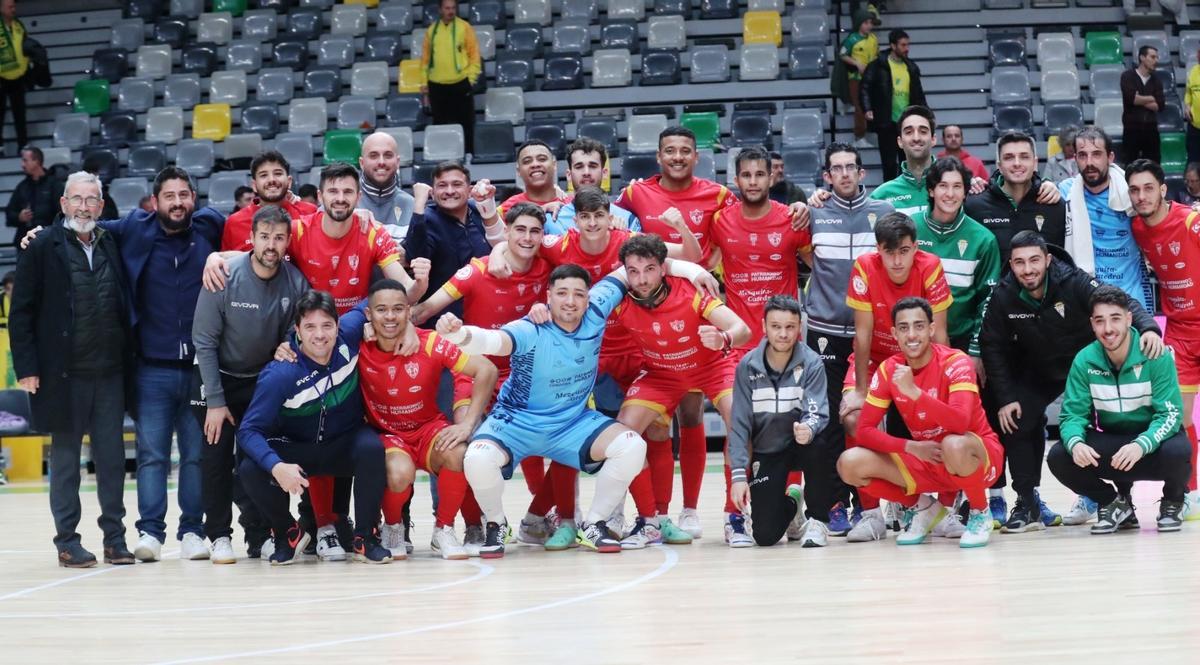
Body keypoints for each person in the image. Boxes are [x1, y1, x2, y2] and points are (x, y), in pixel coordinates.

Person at [446, 264, 657, 557]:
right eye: (562, 293)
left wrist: (694, 272)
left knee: (633, 446)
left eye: (578, 294)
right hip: (516, 420)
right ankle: (496, 523)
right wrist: (459, 335)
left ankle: (594, 525)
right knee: (477, 458)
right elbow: (494, 341)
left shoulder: (597, 309)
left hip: (572, 422)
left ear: (588, 298)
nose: (570, 301)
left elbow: (631, 267)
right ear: (549, 296)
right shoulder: (530, 328)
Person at [975, 231, 1164, 532]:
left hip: (1087, 366)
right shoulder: (1003, 294)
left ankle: (1119, 501)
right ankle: (1027, 502)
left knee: (1113, 423)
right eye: (1020, 263)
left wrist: (1149, 327)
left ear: (1048, 260)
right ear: (1011, 265)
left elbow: (1120, 302)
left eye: (1035, 260)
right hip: (1038, 368)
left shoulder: (1073, 281)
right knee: (1016, 419)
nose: (1028, 269)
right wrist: (1006, 396)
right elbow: (992, 345)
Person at [97, 167, 224, 563]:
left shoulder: (209, 229)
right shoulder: (135, 228)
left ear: (194, 198)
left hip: (201, 369)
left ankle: (192, 531)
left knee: (194, 455)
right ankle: (150, 532)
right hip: (151, 368)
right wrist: (42, 232)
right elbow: (85, 226)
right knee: (152, 455)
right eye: (170, 196)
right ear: (155, 202)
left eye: (184, 195)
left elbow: (260, 233)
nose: (178, 203)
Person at [413, 203, 559, 549]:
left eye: (534, 231)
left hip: (526, 374)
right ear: (505, 232)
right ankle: (474, 525)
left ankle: (538, 517)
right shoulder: (476, 271)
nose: (526, 237)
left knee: (562, 441)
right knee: (463, 445)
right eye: (519, 230)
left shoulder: (550, 270)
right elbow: (425, 310)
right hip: (477, 372)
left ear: (543, 236)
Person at [10, 171, 134, 568]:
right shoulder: (41, 245)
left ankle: (115, 539)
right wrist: (27, 368)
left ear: (101, 205)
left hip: (109, 373)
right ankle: (67, 541)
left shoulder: (111, 240)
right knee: (65, 463)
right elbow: (21, 312)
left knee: (112, 460)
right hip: (63, 375)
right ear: (63, 204)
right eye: (76, 199)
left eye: (91, 200)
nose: (84, 206)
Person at [610, 235, 753, 548]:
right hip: (661, 373)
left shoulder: (691, 292)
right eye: (633, 272)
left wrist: (724, 339)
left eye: (649, 269)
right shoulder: (619, 299)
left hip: (712, 367)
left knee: (740, 422)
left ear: (664, 269)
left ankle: (735, 518)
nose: (642, 279)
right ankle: (650, 521)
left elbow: (742, 329)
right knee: (623, 435)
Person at [190, 205, 309, 564]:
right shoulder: (225, 274)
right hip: (216, 380)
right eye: (264, 237)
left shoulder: (295, 281)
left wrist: (290, 341)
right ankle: (220, 536)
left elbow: (298, 329)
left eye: (278, 238)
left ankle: (261, 536)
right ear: (251, 239)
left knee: (254, 461)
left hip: (259, 381)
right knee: (215, 457)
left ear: (288, 241)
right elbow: (204, 341)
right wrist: (214, 401)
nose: (271, 244)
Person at [237, 291, 391, 565]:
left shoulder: (350, 336)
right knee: (250, 468)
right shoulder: (281, 374)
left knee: (372, 449)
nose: (319, 335)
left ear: (338, 325)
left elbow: (380, 299)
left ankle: (365, 537)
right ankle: (288, 532)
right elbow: (248, 431)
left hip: (343, 441)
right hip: (298, 449)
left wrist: (409, 330)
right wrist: (276, 466)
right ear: (297, 331)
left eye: (327, 326)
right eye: (310, 327)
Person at [837, 297, 1002, 548]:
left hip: (976, 456)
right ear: (894, 333)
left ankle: (980, 512)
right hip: (928, 456)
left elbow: (960, 422)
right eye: (903, 328)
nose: (912, 335)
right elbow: (864, 432)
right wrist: (911, 448)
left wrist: (915, 393)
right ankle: (923, 508)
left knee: (953, 444)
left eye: (919, 326)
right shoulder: (889, 369)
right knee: (849, 463)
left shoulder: (956, 362)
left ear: (932, 329)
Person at [357, 279, 498, 559]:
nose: (390, 316)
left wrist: (468, 423)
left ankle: (443, 530)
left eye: (398, 309)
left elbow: (487, 369)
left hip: (428, 430)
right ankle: (393, 527)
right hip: (388, 434)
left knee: (459, 452)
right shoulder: (358, 346)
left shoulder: (430, 342)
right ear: (368, 315)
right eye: (381, 309)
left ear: (409, 312)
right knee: (399, 472)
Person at [840, 211, 953, 541]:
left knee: (943, 420)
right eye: (889, 252)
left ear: (915, 247)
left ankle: (943, 508)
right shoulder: (864, 265)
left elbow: (941, 334)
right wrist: (861, 389)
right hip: (876, 361)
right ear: (878, 250)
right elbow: (862, 334)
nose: (897, 260)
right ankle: (872, 513)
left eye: (904, 250)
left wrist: (938, 385)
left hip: (921, 359)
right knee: (853, 418)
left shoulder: (930, 265)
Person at [802, 142, 895, 534]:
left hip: (869, 337)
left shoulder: (884, 213)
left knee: (865, 420)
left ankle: (871, 503)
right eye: (835, 168)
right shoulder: (814, 212)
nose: (843, 174)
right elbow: (808, 257)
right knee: (827, 424)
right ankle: (834, 502)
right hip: (824, 334)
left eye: (850, 168)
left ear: (862, 174)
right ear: (826, 176)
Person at [1048, 285, 1191, 533]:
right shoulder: (1084, 360)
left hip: (1149, 444)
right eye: (1100, 321)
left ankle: (1173, 501)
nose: (1108, 329)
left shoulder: (1155, 354)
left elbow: (1170, 414)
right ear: (1092, 324)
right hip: (1113, 443)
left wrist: (1141, 444)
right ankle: (1113, 503)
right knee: (1060, 456)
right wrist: (1075, 442)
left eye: (1115, 319)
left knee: (1179, 449)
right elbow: (1072, 414)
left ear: (1128, 319)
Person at [1126, 159, 1200, 517]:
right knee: (1181, 417)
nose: (1142, 196)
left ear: (1163, 190)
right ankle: (1192, 492)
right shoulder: (1138, 228)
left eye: (1148, 188)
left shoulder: (1191, 221)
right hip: (1182, 331)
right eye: (1135, 190)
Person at [728, 295, 832, 547]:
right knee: (765, 536)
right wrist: (738, 475)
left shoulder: (812, 363)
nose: (783, 334)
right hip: (768, 451)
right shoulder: (747, 366)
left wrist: (809, 426)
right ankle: (793, 504)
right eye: (776, 326)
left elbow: (817, 409)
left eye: (790, 327)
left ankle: (818, 520)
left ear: (799, 328)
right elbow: (740, 423)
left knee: (820, 443)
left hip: (801, 443)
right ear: (764, 326)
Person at [710, 146, 811, 356]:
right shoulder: (720, 220)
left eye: (760, 175)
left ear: (771, 178)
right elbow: (704, 262)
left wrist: (818, 201)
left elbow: (821, 267)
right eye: (746, 175)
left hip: (785, 340)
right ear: (736, 180)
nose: (753, 182)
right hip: (739, 341)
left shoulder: (791, 219)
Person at [1059, 126, 1153, 311]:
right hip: (1088, 296)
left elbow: (1163, 213)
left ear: (1110, 157)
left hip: (1132, 296)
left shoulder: (1132, 191)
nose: (1089, 162)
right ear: (1075, 158)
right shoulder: (1065, 192)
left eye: (1096, 154)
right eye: (1083, 155)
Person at [912, 157, 1000, 353]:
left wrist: (976, 351)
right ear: (931, 190)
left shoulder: (984, 240)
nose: (950, 194)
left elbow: (988, 301)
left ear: (965, 192)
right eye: (943, 186)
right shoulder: (909, 229)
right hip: (912, 338)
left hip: (962, 342)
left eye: (957, 186)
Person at [404, 161, 507, 326]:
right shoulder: (426, 219)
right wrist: (418, 206)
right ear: (433, 191)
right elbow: (416, 258)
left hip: (486, 316)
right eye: (442, 185)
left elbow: (506, 246)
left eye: (457, 184)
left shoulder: (480, 211)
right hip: (441, 321)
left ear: (469, 190)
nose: (450, 191)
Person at [966, 131, 1068, 263]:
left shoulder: (1055, 205)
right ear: (999, 166)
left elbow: (1062, 262)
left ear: (1035, 163)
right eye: (1009, 157)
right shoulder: (975, 206)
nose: (1017, 163)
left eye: (1024, 157)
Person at [219, 151, 317, 252]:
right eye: (263, 175)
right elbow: (226, 263)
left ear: (289, 181)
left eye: (278, 173)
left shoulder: (310, 213)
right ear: (254, 185)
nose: (271, 180)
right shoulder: (234, 222)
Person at [861, 29, 926, 182]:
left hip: (907, 121)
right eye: (903, 45)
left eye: (907, 45)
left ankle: (909, 190)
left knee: (908, 161)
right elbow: (865, 87)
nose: (906, 48)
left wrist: (925, 114)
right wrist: (867, 108)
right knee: (889, 162)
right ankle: (890, 193)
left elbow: (919, 93)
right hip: (886, 120)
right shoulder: (878, 65)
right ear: (893, 45)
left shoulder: (910, 67)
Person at [420, 0, 481, 154]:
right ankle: (442, 156)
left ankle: (468, 155)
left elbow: (474, 55)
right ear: (440, 9)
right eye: (447, 8)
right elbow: (425, 60)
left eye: (453, 8)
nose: (451, 11)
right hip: (436, 85)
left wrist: (471, 79)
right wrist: (424, 86)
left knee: (466, 124)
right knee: (440, 124)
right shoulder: (432, 31)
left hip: (460, 83)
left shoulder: (464, 28)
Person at [549, 138, 640, 234]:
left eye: (592, 166)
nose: (586, 172)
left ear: (605, 173)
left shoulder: (627, 219)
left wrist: (622, 236)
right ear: (568, 175)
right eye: (579, 167)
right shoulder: (554, 219)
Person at [358, 131, 417, 244]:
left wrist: (408, 255)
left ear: (398, 162)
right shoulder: (342, 203)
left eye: (388, 155)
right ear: (362, 163)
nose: (381, 162)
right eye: (373, 156)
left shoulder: (412, 206)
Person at [497, 140, 570, 219]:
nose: (535, 164)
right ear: (518, 171)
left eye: (542, 159)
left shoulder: (573, 205)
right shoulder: (506, 209)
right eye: (527, 161)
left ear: (554, 164)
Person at [839, 8, 880, 149]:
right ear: (859, 24)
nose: (869, 26)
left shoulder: (874, 39)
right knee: (860, 106)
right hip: (856, 78)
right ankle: (859, 136)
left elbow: (876, 56)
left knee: (870, 106)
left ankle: (869, 132)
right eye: (866, 22)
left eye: (871, 23)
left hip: (870, 78)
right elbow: (842, 54)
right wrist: (856, 63)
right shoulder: (852, 40)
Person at [6, 146, 59, 251]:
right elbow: (9, 214)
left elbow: (62, 214)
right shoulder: (22, 187)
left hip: (50, 242)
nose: (22, 165)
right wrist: (19, 217)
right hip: (25, 243)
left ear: (36, 161)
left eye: (25, 161)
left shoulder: (55, 185)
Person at [1120, 45, 1164, 164]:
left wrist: (1139, 98)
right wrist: (1151, 98)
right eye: (1153, 57)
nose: (1156, 61)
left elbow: (1160, 105)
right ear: (1142, 57)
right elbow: (1131, 99)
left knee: (1153, 166)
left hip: (1151, 129)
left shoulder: (1157, 80)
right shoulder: (1127, 76)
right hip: (1131, 128)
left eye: (1157, 57)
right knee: (1129, 165)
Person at [0, 0, 29, 153]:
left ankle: (22, 144)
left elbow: (26, 46)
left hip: (18, 76)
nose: (13, 8)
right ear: (1, 8)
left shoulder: (19, 25)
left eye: (14, 6)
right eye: (10, 6)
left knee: (20, 113)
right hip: (1, 77)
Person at [1187, 44, 1200, 166]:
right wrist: (1187, 106)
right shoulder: (1193, 71)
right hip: (1194, 126)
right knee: (1193, 161)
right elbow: (1189, 92)